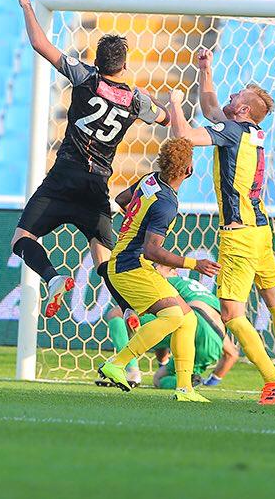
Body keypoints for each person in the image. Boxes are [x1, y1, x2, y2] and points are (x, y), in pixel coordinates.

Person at [9, 0, 170, 319]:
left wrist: (27, 5)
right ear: (124, 65)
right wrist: (171, 108)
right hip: (97, 184)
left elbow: (40, 43)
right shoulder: (136, 100)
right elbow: (163, 118)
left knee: (22, 238)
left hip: (64, 175)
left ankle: (53, 279)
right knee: (104, 258)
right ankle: (126, 309)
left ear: (97, 62)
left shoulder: (85, 77)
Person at [167, 48, 275, 406]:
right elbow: (212, 110)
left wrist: (175, 102)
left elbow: (185, 136)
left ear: (241, 111)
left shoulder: (233, 131)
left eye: (236, 96)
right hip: (262, 230)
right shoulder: (251, 132)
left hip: (238, 235)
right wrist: (205, 71)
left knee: (231, 314)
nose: (231, 96)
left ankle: (272, 380)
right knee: (273, 297)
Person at [97, 138, 220, 403]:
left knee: (188, 319)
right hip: (129, 266)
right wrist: (193, 264)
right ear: (189, 170)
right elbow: (152, 250)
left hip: (131, 262)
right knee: (174, 316)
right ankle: (118, 363)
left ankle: (185, 389)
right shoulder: (167, 204)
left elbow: (121, 199)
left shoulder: (151, 179)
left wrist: (134, 223)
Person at [103, 265, 239, 389]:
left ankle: (130, 371)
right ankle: (193, 381)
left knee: (117, 314)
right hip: (214, 340)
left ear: (172, 272)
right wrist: (213, 380)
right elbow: (232, 354)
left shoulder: (167, 283)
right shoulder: (202, 292)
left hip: (194, 321)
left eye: (155, 268)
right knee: (159, 378)